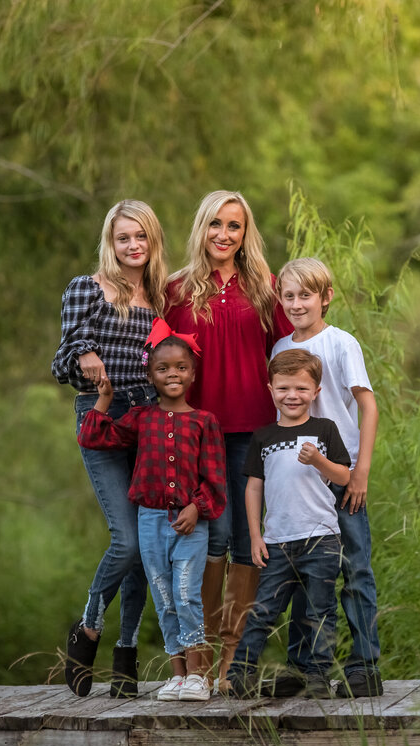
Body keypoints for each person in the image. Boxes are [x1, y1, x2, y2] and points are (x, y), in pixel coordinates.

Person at [164, 190, 292, 692]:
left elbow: (288, 350)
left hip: (253, 434)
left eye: (234, 226)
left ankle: (233, 665)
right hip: (198, 436)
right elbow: (159, 363)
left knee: (246, 542)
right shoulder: (175, 291)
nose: (223, 234)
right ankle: (198, 658)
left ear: (245, 233)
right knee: (206, 542)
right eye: (215, 224)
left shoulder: (266, 286)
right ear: (202, 227)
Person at [51, 200, 168, 698]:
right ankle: (88, 628)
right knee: (127, 539)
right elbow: (62, 362)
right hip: (101, 415)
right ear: (110, 241)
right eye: (123, 237)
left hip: (147, 421)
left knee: (146, 549)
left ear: (153, 241)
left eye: (141, 236)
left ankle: (126, 657)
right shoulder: (88, 288)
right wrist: (87, 355)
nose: (133, 246)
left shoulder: (160, 299)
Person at [77, 322, 227, 702]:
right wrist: (104, 399)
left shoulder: (204, 422)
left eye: (180, 367)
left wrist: (197, 507)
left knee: (185, 594)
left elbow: (215, 480)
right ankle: (178, 675)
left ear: (192, 373)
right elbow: (93, 437)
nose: (172, 374)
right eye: (163, 369)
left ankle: (198, 675)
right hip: (149, 520)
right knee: (163, 597)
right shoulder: (143, 418)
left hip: (189, 524)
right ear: (150, 375)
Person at [271, 258, 383, 697]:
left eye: (306, 295)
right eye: (290, 296)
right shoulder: (280, 348)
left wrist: (361, 473)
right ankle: (305, 667)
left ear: (326, 297)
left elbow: (368, 406)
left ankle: (364, 666)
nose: (297, 304)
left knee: (354, 568)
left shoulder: (340, 344)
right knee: (304, 573)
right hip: (298, 481)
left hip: (341, 477)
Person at [226, 348, 350, 699]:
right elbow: (253, 486)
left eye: (300, 389)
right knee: (264, 610)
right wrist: (254, 535)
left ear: (316, 392)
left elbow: (342, 475)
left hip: (321, 538)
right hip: (277, 540)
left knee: (321, 610)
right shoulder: (263, 436)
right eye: (283, 389)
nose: (291, 396)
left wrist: (319, 460)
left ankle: (318, 677)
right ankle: (239, 674)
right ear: (271, 390)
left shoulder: (324, 429)